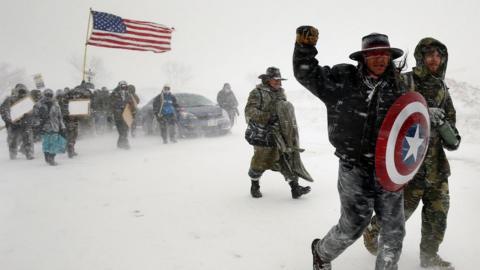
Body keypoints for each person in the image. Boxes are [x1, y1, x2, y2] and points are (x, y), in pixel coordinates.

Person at [293, 27, 408, 270]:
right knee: (354, 224)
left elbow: (410, 123)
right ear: (363, 58)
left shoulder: (399, 87)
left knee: (394, 229)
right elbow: (308, 75)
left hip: (389, 169)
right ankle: (321, 253)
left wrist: (406, 164)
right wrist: (304, 50)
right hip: (354, 167)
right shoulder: (342, 81)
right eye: (373, 54)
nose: (380, 58)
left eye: (384, 54)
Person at [362, 38, 460, 270]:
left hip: (436, 169)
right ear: (421, 57)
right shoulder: (405, 81)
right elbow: (388, 115)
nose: (435, 59)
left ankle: (429, 257)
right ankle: (372, 231)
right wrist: (423, 111)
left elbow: (453, 139)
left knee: (438, 217)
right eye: (430, 54)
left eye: (439, 55)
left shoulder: (443, 91)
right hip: (407, 167)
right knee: (398, 216)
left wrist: (443, 124)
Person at [245, 66, 312, 199]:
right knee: (260, 161)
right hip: (262, 134)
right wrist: (268, 116)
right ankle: (254, 185)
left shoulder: (281, 93)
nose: (278, 82)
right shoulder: (257, 93)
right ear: (268, 80)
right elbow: (250, 111)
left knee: (285, 159)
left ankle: (295, 188)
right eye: (275, 80)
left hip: (280, 134)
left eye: (279, 80)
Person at [0, 83, 35, 160]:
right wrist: (9, 119)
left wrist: (31, 119)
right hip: (14, 124)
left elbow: (34, 111)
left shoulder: (28, 100)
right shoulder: (10, 99)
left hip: (26, 124)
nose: (22, 93)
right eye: (20, 90)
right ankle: (13, 155)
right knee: (13, 141)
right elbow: (3, 110)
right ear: (16, 91)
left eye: (23, 91)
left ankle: (29, 153)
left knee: (28, 139)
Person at [33, 89, 66, 166]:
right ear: (44, 95)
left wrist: (62, 126)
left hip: (55, 126)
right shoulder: (38, 105)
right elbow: (35, 116)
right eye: (47, 95)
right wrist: (38, 124)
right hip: (44, 127)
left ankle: (51, 158)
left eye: (50, 95)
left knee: (54, 143)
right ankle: (47, 157)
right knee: (46, 143)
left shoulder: (56, 104)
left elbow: (59, 117)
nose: (48, 96)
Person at [60, 82, 92, 157]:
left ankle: (70, 148)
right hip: (70, 117)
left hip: (72, 117)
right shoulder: (77, 93)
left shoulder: (70, 93)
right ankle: (70, 149)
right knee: (72, 134)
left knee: (73, 133)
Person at [110, 81, 136, 149]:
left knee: (125, 130)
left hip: (126, 115)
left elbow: (132, 104)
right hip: (117, 115)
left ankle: (123, 144)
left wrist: (133, 113)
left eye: (125, 86)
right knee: (121, 131)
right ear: (119, 86)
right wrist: (110, 114)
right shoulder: (114, 94)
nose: (123, 88)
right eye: (122, 86)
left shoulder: (128, 94)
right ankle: (122, 144)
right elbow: (110, 105)